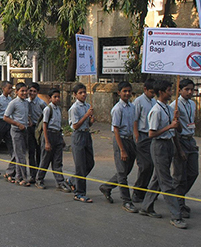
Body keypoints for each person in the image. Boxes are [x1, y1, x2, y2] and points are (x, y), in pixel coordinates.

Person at [140, 80, 187, 229]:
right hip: (159, 146)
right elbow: (151, 133)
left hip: (168, 145)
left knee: (157, 178)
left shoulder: (168, 108)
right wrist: (169, 126)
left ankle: (146, 206)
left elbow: (176, 130)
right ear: (161, 92)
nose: (171, 92)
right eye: (168, 90)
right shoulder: (156, 110)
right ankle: (176, 215)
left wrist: (176, 123)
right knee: (167, 182)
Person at [99, 82, 139, 213]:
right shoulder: (117, 109)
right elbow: (115, 129)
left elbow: (134, 122)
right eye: (124, 91)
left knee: (126, 170)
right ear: (119, 93)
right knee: (122, 172)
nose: (127, 93)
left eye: (129, 91)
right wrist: (121, 149)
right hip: (120, 140)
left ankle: (107, 186)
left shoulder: (132, 107)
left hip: (129, 140)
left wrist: (135, 138)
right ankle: (126, 201)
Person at [169, 78, 199, 219]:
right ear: (179, 90)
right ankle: (179, 204)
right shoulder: (174, 105)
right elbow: (174, 128)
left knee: (193, 172)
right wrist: (179, 148)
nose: (189, 92)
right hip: (180, 140)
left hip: (190, 140)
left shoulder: (192, 104)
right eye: (186, 89)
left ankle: (177, 197)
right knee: (179, 176)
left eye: (191, 89)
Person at [34, 88, 72, 193]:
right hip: (49, 135)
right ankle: (39, 179)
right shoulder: (48, 109)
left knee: (58, 161)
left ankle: (60, 182)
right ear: (50, 98)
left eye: (58, 97)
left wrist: (62, 138)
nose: (57, 99)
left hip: (57, 135)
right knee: (45, 159)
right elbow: (45, 126)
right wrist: (46, 141)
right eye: (55, 97)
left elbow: (58, 125)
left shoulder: (58, 110)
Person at [65, 83, 95, 203]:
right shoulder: (74, 108)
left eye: (84, 92)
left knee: (90, 163)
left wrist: (91, 119)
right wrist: (86, 116)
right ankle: (79, 192)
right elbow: (75, 125)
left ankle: (72, 180)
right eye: (80, 93)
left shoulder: (88, 106)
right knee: (80, 165)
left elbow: (88, 123)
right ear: (75, 95)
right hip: (78, 136)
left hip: (87, 134)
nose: (83, 95)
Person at [131, 78, 156, 203]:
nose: (153, 94)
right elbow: (135, 119)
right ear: (145, 89)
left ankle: (144, 189)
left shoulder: (154, 101)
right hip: (142, 135)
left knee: (151, 165)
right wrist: (136, 135)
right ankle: (137, 191)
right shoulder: (139, 101)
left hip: (152, 136)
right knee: (145, 165)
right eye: (151, 92)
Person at [3, 82, 30, 186]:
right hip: (16, 131)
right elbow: (6, 117)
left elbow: (26, 114)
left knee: (19, 154)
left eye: (25, 90)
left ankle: (14, 174)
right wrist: (17, 124)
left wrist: (29, 120)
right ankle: (23, 178)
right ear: (16, 92)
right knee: (20, 155)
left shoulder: (26, 103)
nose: (24, 93)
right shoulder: (13, 103)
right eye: (22, 91)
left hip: (25, 130)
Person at [0, 81, 16, 182]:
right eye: (9, 88)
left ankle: (13, 168)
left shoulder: (10, 100)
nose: (10, 90)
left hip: (8, 123)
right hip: (0, 122)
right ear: (4, 88)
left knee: (11, 145)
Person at [27, 82, 46, 183]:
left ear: (37, 92)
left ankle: (39, 174)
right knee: (31, 152)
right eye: (30, 91)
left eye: (34, 91)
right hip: (29, 128)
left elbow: (46, 116)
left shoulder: (41, 103)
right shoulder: (26, 102)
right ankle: (32, 174)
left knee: (39, 151)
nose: (32, 93)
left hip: (39, 129)